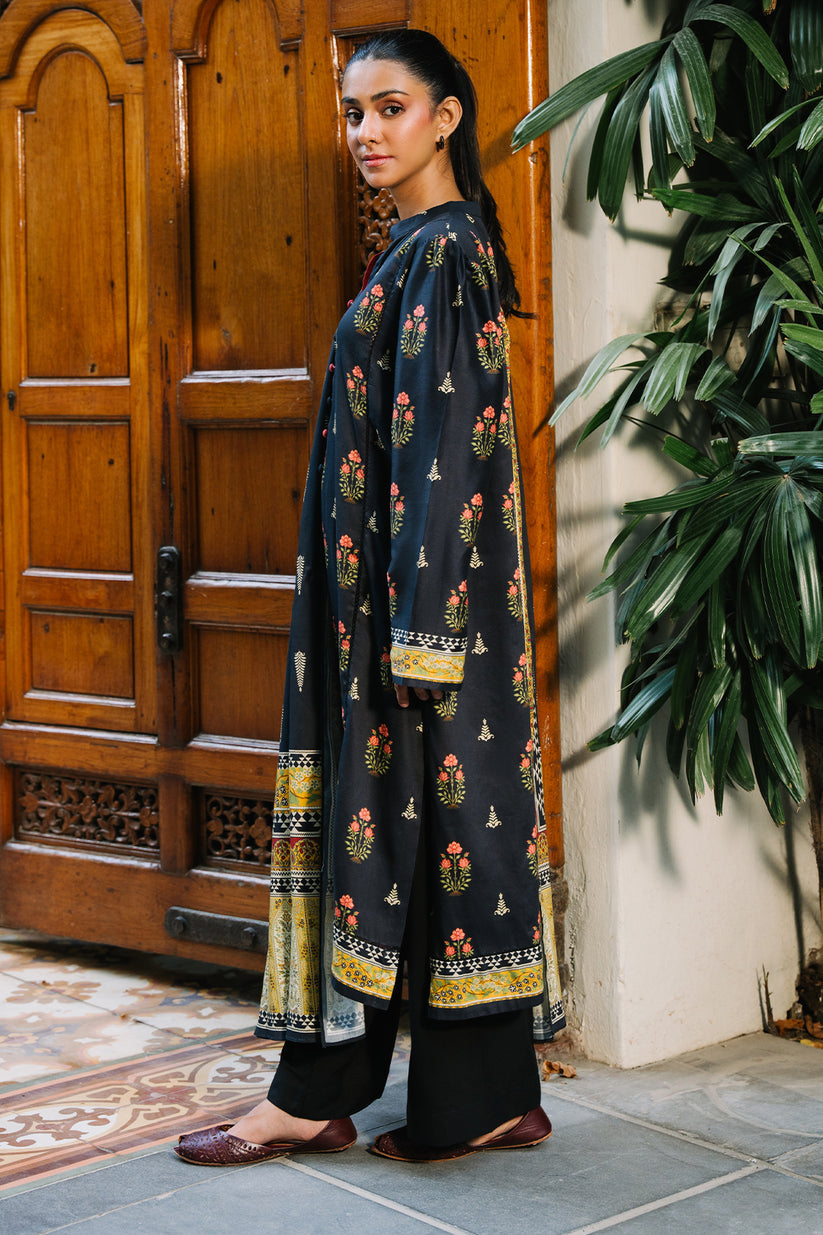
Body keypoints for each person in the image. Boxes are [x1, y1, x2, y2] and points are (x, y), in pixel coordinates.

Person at [175, 27, 565, 1168]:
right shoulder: (429, 251)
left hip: (413, 621)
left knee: (411, 837)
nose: (366, 135)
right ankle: (476, 1094)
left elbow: (444, 452)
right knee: (446, 837)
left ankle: (322, 1091)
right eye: (354, 114)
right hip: (396, 609)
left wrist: (420, 637)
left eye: (390, 109)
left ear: (446, 116)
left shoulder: (443, 256)